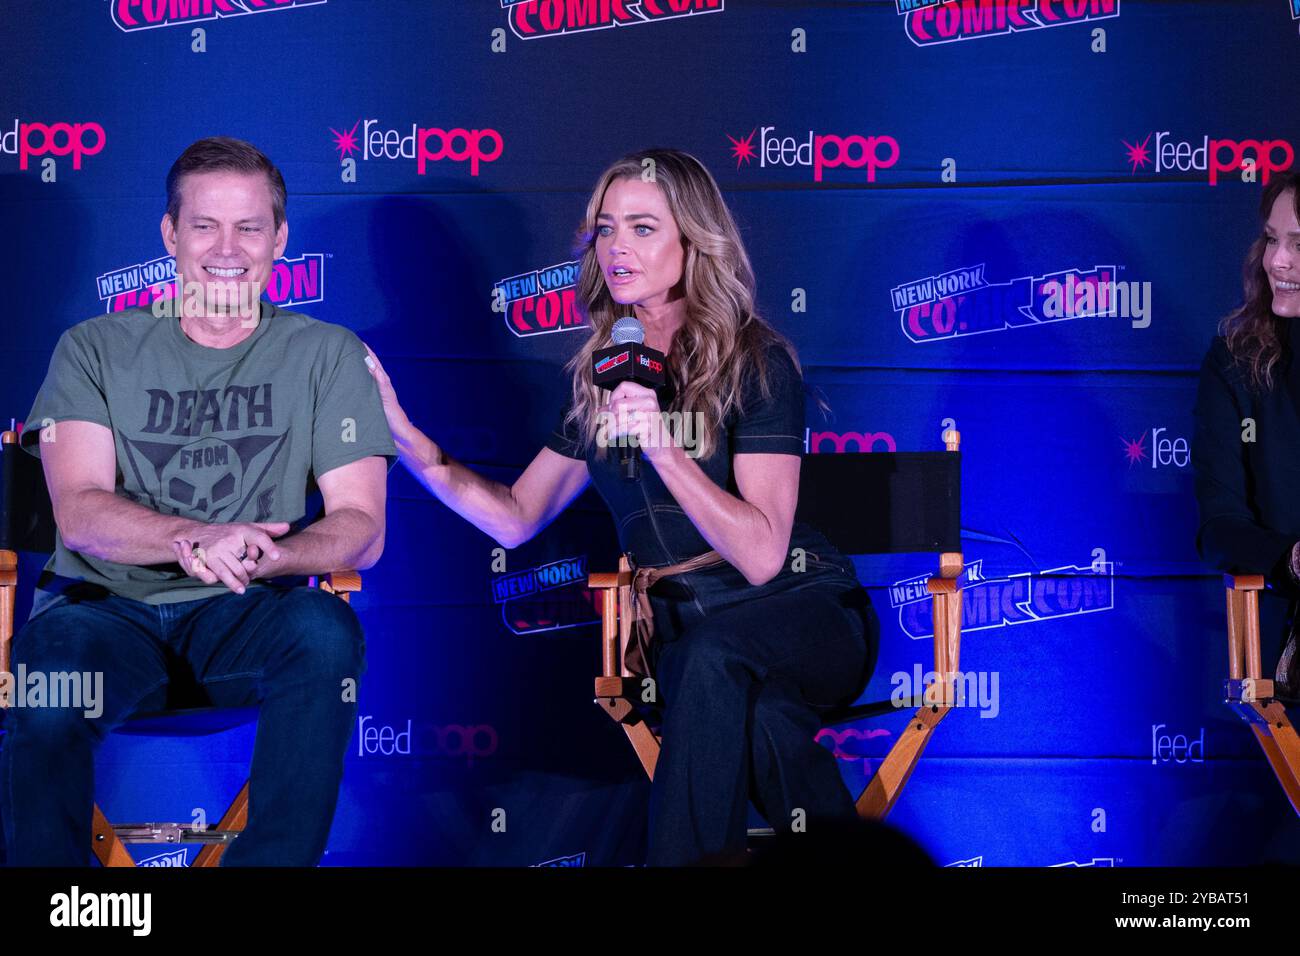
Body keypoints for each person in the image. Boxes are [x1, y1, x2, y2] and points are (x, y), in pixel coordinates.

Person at [363, 147, 880, 866]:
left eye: (642, 228)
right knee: (759, 716)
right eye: (605, 229)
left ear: (693, 242)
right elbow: (515, 515)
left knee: (712, 661)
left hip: (808, 615)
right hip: (694, 641)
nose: (616, 248)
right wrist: (407, 438)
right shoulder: (605, 376)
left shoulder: (755, 361)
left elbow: (764, 556)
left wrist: (665, 447)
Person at [0, 136, 396, 866]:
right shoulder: (93, 347)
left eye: (249, 227)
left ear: (279, 239)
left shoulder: (327, 354)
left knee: (324, 628)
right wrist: (196, 536)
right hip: (103, 615)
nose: (228, 247)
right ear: (169, 234)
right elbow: (80, 512)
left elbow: (361, 526)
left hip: (245, 613)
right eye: (205, 225)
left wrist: (275, 552)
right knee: (50, 670)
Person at [1193, 169, 1300, 693]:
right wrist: (1292, 558)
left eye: (1299, 244)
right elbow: (1219, 529)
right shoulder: (1235, 364)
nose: (1277, 261)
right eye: (1273, 240)